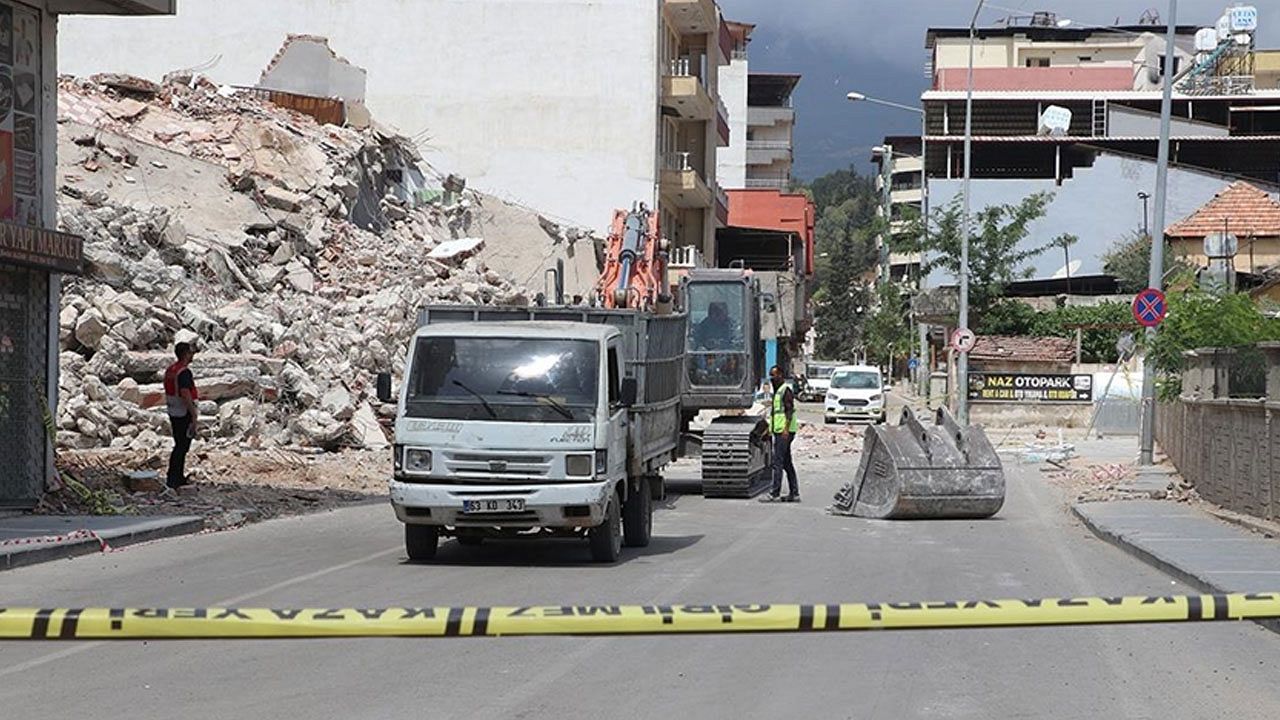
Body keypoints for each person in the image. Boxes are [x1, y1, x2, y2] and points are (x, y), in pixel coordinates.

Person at [759, 365, 800, 503]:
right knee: (787, 463)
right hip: (779, 431)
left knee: (778, 462)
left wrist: (785, 429)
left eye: (774, 375)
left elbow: (789, 411)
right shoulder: (777, 392)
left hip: (784, 432)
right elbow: (775, 413)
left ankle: (774, 493)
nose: (772, 378)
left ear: (781, 375)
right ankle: (794, 493)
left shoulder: (785, 391)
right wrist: (769, 429)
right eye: (771, 375)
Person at [163, 341, 200, 489]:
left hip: (173, 411)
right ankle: (175, 478)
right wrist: (194, 414)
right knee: (182, 447)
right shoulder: (184, 372)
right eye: (190, 352)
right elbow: (185, 393)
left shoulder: (171, 370)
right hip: (183, 412)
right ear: (185, 354)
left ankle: (176, 476)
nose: (192, 355)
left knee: (179, 445)